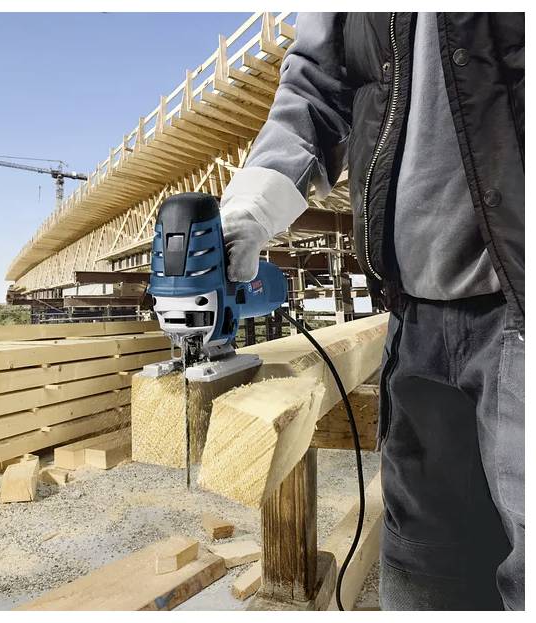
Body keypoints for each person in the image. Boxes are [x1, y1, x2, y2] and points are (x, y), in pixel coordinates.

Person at [219, 13, 524, 611]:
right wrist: (256, 200)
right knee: (422, 570)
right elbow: (316, 85)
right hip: (413, 318)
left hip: (519, 304)